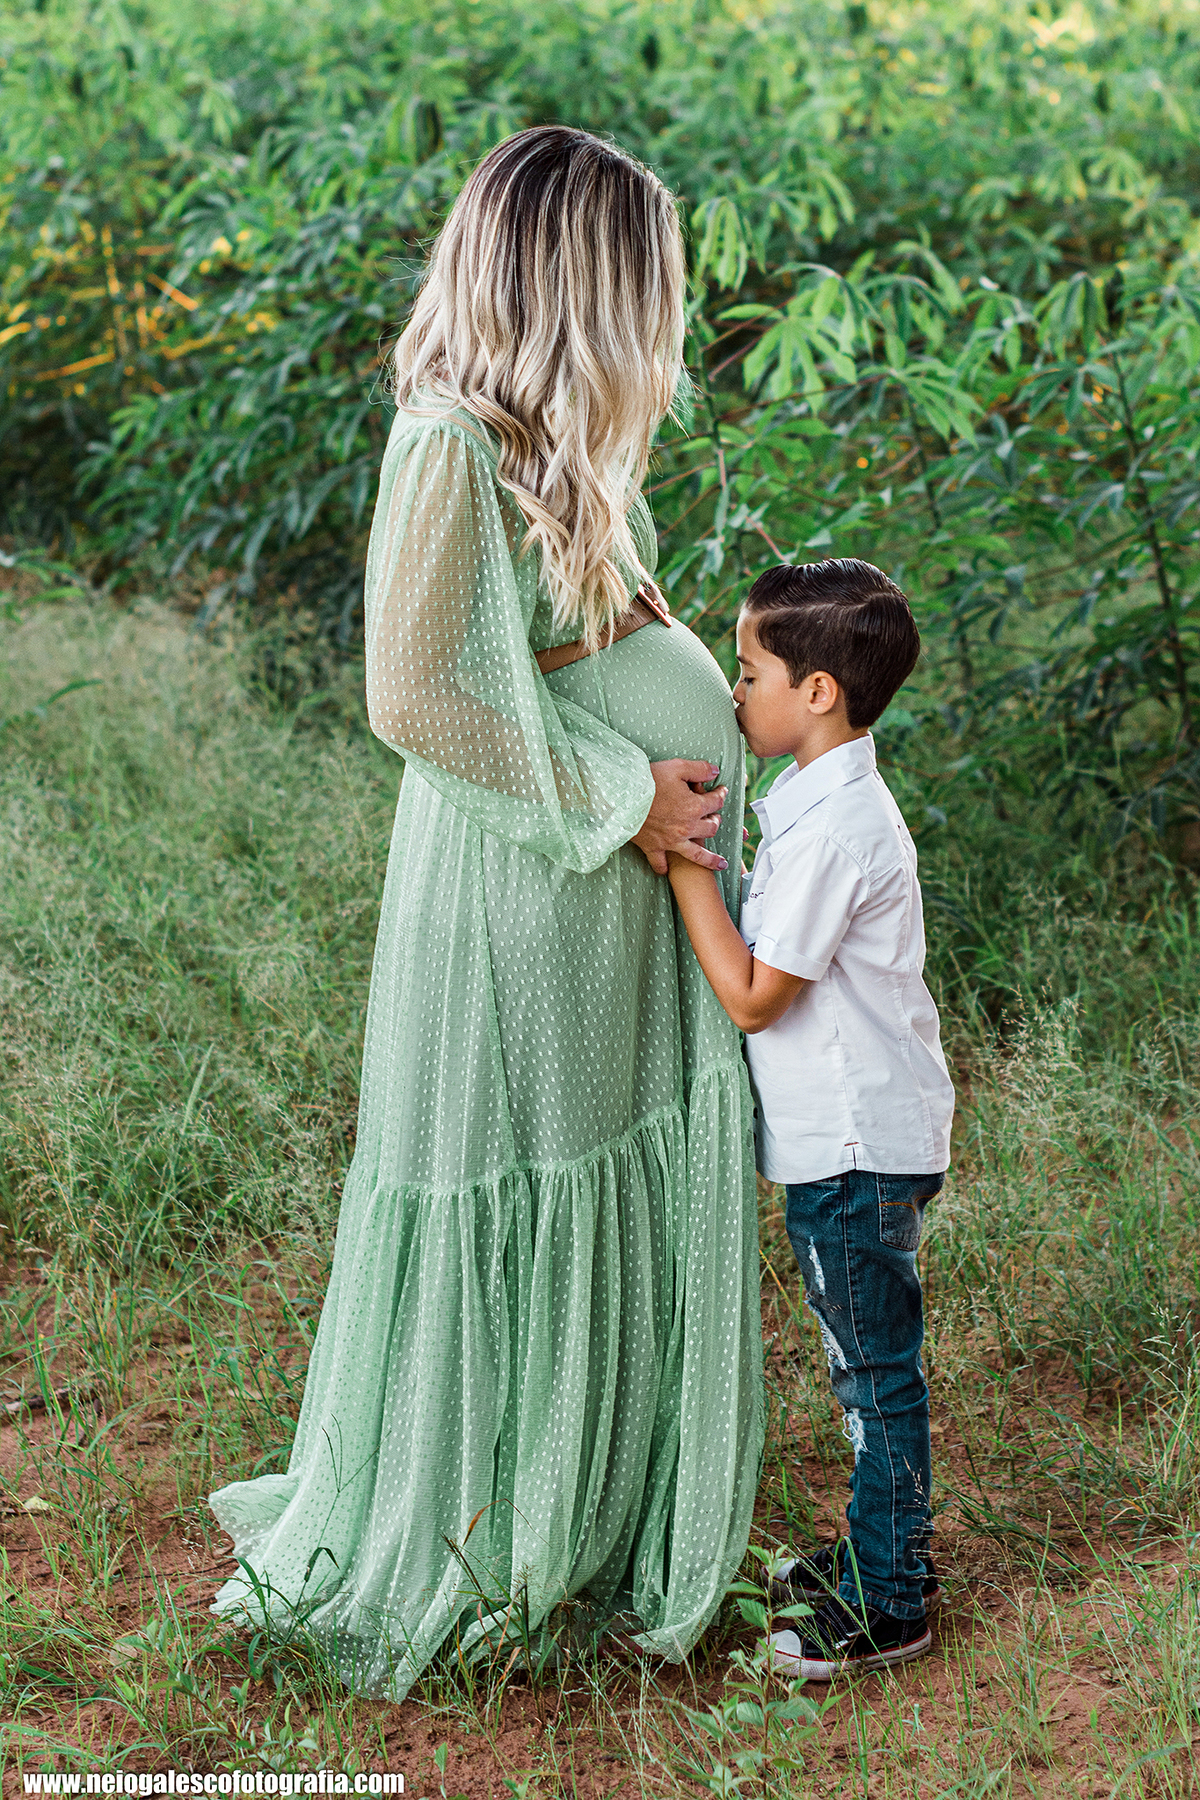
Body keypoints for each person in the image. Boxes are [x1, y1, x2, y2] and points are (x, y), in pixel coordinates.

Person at [206, 125, 764, 1699]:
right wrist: (625, 798)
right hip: (534, 890)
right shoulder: (447, 442)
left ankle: (590, 1510)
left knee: (598, 1178)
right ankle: (500, 1532)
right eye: (646, 279)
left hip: (592, 902)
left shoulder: (543, 445)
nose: (663, 314)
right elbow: (413, 693)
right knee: (527, 1185)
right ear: (579, 283)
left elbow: (564, 652)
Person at [666, 558, 955, 1681]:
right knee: (865, 1364)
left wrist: (681, 861)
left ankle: (892, 1601)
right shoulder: (819, 800)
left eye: (749, 672)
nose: (735, 692)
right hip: (851, 1138)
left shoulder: (838, 829)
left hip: (852, 1149)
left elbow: (753, 995)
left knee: (871, 1373)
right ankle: (880, 1552)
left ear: (818, 691)